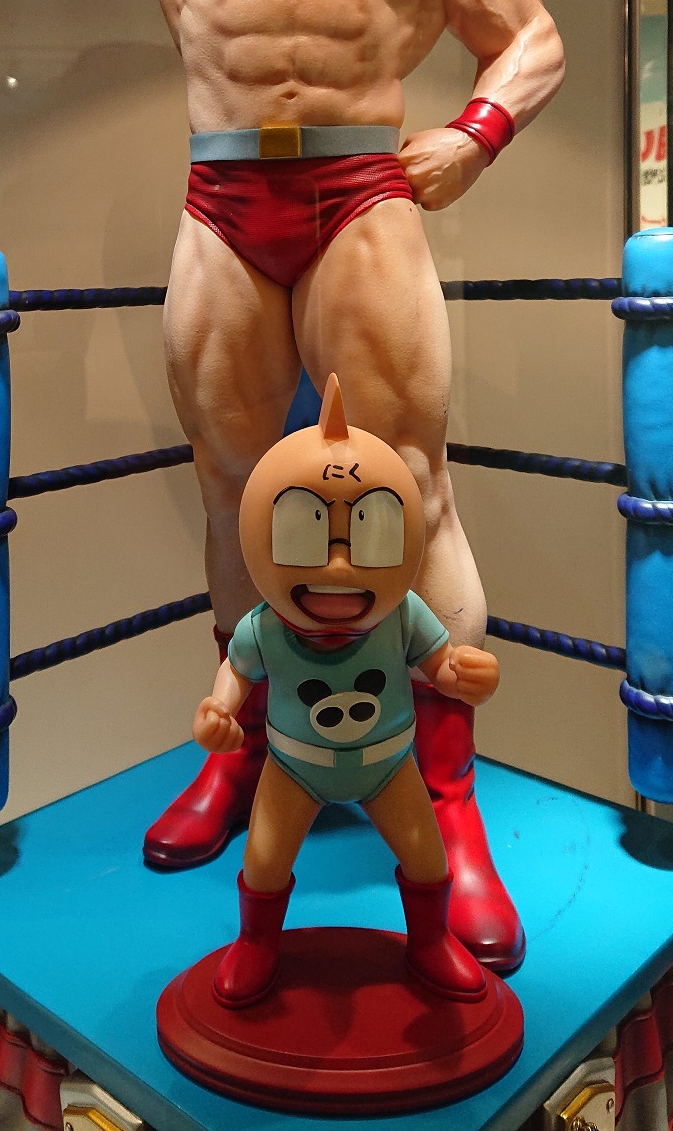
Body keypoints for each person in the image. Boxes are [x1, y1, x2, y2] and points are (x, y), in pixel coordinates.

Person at [43, 0, 565, 973]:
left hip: (359, 191)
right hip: (222, 193)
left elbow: (528, 37)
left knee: (411, 486)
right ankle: (241, 752)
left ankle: (447, 809)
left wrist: (474, 133)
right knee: (233, 487)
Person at [196, 374, 499, 1008]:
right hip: (292, 769)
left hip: (390, 766)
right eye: (303, 531)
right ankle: (255, 942)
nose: (338, 565)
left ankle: (431, 940)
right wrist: (218, 711)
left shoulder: (402, 614)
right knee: (263, 861)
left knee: (427, 857)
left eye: (372, 531)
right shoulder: (264, 628)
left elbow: (440, 665)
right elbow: (236, 674)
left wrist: (465, 675)